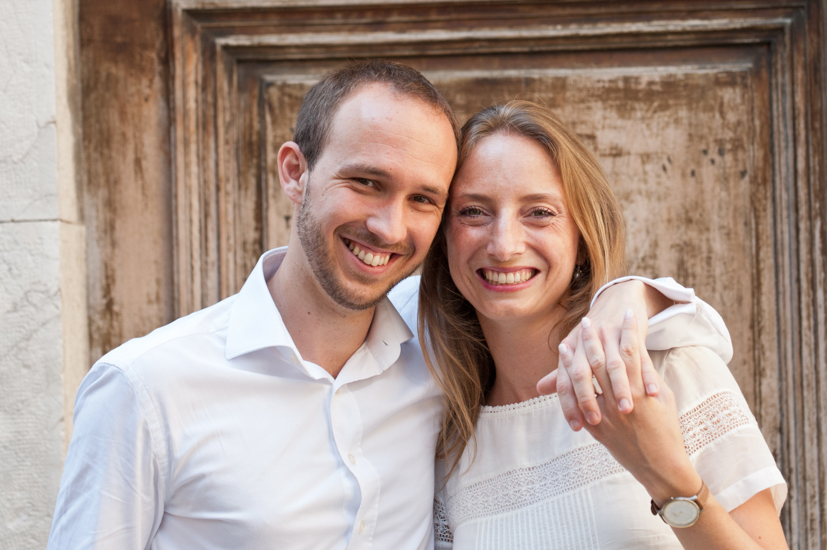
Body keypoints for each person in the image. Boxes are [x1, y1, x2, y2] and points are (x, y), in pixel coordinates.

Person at [47, 61, 731, 549]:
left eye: (423, 200)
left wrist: (624, 298)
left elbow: (679, 323)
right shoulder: (146, 388)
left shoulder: (438, 361)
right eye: (366, 182)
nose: (388, 226)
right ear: (296, 171)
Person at [421, 100, 789, 549]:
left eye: (539, 212)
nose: (504, 245)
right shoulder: (450, 441)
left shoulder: (669, 371)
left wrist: (666, 477)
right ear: (443, 237)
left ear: (582, 237)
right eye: (473, 211)